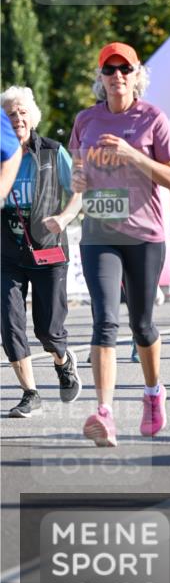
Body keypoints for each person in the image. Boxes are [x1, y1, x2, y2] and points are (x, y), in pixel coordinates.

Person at [70, 42, 170, 446]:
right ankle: (105, 412)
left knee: (142, 325)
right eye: (109, 69)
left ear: (137, 75)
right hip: (99, 235)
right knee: (104, 321)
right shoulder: (86, 120)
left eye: (125, 69)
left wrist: (134, 155)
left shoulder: (153, 118)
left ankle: (153, 393)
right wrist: (77, 182)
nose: (117, 76)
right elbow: (77, 172)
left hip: (144, 236)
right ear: (100, 78)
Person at [1, 86, 82, 417]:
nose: (17, 117)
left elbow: (79, 191)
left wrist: (63, 218)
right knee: (10, 323)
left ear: (32, 116)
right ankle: (29, 392)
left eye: (22, 111)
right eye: (10, 113)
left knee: (48, 329)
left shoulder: (52, 151)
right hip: (8, 251)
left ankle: (62, 360)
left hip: (48, 251)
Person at [1, 109, 22, 202]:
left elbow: (14, 153)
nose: (18, 118)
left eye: (23, 113)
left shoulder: (51, 150)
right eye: (12, 114)